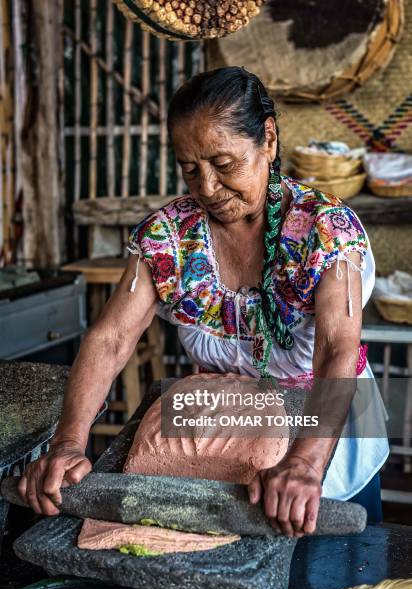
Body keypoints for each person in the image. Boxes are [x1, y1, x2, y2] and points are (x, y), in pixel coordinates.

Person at [18, 66, 389, 536]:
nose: (208, 188)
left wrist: (306, 463)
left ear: (268, 140)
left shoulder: (325, 229)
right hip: (224, 442)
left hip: (329, 441)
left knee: (339, 583)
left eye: (224, 164)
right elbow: (110, 339)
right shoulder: (169, 238)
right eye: (190, 169)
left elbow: (337, 348)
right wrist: (69, 442)